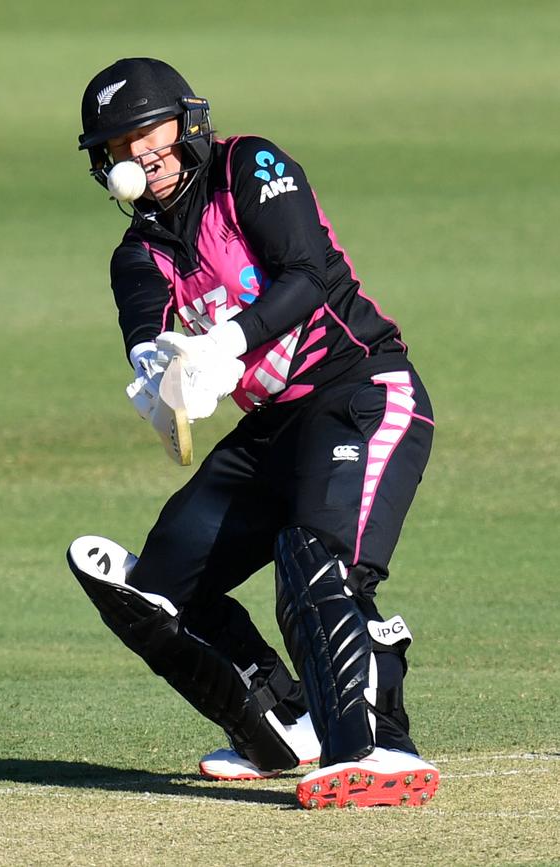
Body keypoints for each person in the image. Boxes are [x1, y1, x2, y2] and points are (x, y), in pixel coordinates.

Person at [67, 56, 440, 809]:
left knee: (316, 558)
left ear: (187, 124)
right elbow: (146, 322)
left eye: (153, 132)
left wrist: (220, 345)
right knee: (163, 588)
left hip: (361, 389)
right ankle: (283, 719)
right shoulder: (138, 251)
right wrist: (153, 368)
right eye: (119, 145)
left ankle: (379, 744)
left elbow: (305, 275)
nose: (143, 155)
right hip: (275, 427)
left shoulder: (249, 166)